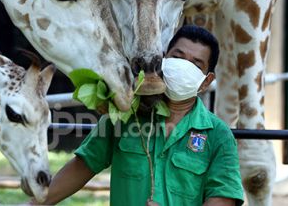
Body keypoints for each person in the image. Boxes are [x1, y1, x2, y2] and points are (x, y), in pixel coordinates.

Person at [35, 25, 244, 205]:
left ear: (206, 81)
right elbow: (84, 165)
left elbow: (223, 198)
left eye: (195, 64)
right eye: (177, 57)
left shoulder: (219, 135)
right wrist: (35, 203)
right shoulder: (125, 114)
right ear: (163, 59)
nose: (183, 66)